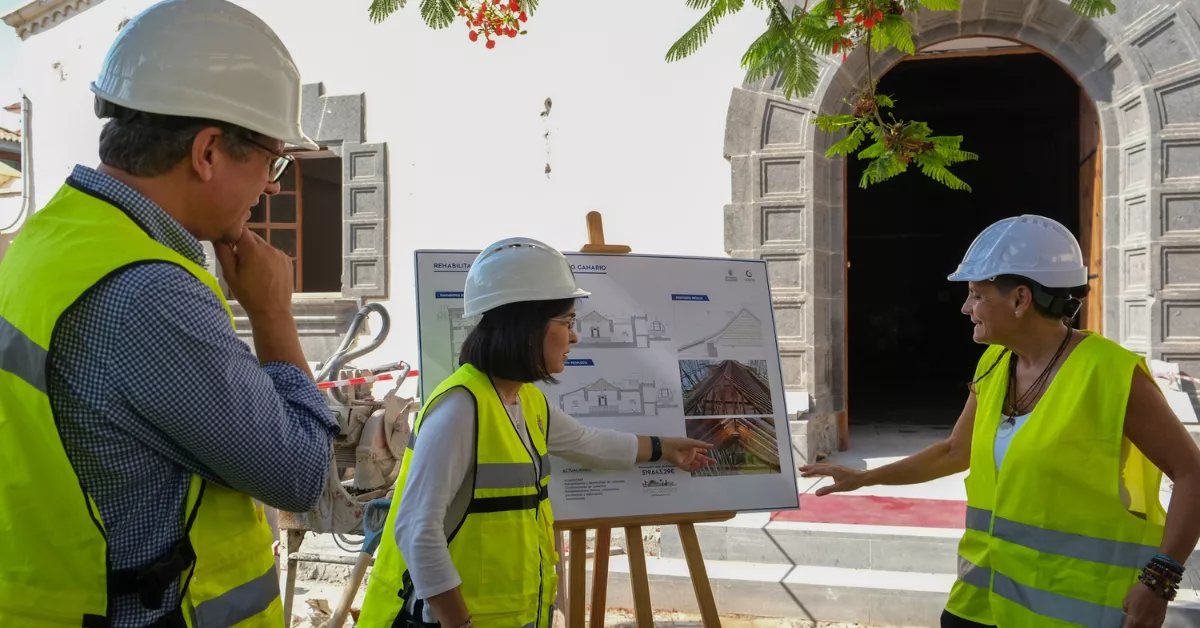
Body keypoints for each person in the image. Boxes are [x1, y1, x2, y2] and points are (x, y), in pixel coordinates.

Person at [0, 0, 338, 626]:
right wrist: (273, 316)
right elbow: (300, 475)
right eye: (271, 160)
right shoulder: (149, 296)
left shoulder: (52, 239)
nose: (271, 186)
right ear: (208, 151)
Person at [799, 215, 1200, 628]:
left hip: (1073, 610)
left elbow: (1192, 474)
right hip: (980, 601)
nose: (965, 307)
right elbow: (955, 452)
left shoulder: (1111, 374)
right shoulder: (995, 363)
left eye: (975, 294)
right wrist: (865, 478)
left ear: (1020, 299)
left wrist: (1159, 581)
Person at [356, 237, 715, 628]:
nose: (575, 337)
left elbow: (586, 443)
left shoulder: (526, 401)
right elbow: (415, 528)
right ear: (527, 327)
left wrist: (664, 449)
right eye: (567, 323)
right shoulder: (460, 408)